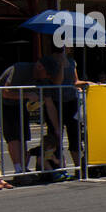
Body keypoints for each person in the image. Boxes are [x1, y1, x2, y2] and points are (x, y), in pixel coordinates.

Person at [34, 42, 89, 179]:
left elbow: (75, 81)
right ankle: (56, 167)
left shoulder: (71, 61)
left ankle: (78, 168)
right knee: (55, 135)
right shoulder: (49, 61)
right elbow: (57, 82)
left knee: (74, 134)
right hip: (56, 101)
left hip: (71, 101)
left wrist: (89, 83)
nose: (70, 47)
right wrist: (61, 66)